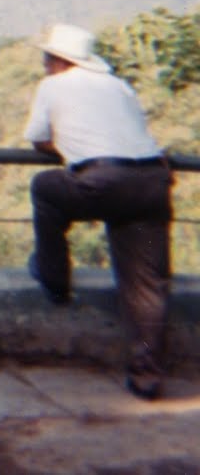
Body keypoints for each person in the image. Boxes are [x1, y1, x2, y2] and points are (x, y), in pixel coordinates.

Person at [23, 22, 173, 401]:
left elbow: (39, 138)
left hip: (103, 180)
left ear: (59, 61)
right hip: (152, 181)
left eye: (47, 58)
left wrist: (69, 145)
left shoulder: (53, 85)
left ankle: (54, 278)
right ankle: (147, 374)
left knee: (45, 188)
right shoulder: (119, 86)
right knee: (146, 284)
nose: (44, 64)